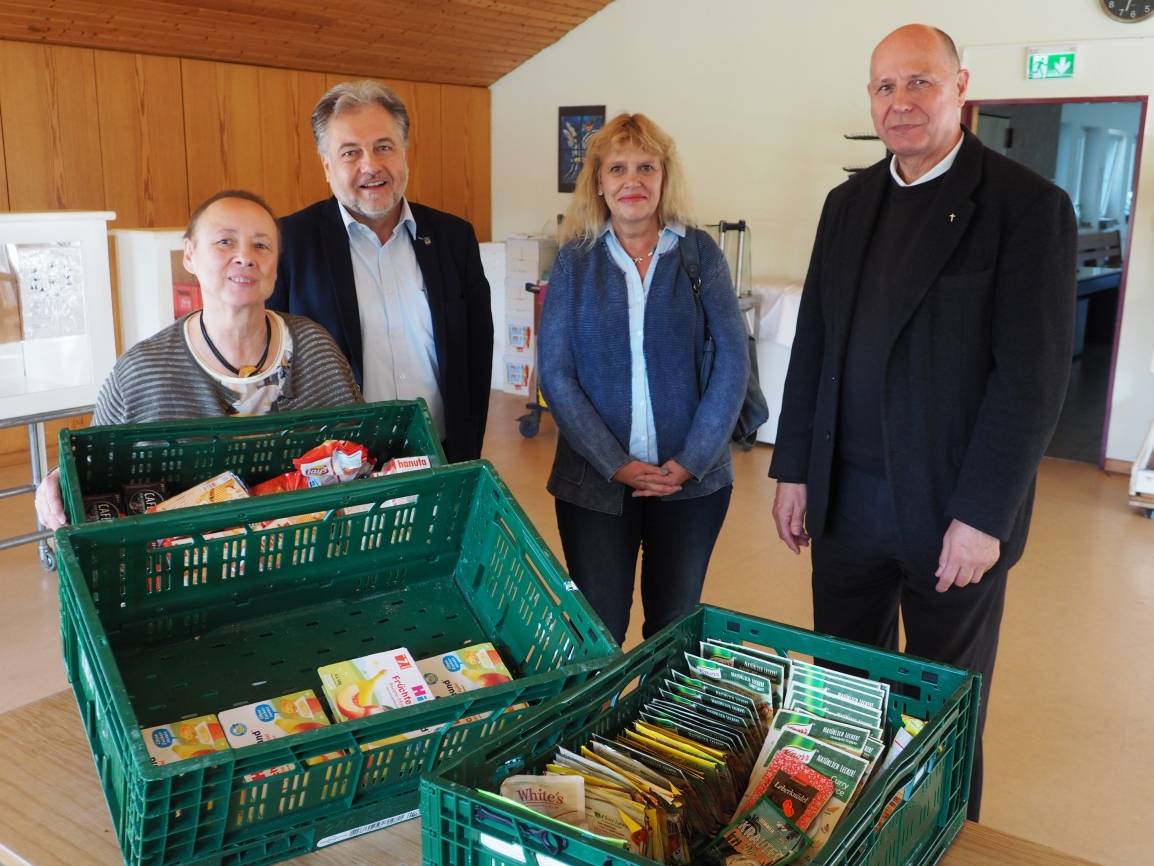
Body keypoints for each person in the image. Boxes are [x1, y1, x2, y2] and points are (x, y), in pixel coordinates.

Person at [769, 24, 1076, 820]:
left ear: (960, 86)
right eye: (884, 87)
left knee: (942, 699)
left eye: (919, 83)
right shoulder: (849, 204)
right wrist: (792, 467)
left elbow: (1032, 380)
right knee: (843, 688)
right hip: (844, 501)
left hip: (950, 509)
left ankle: (937, 830)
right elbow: (816, 344)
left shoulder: (1026, 208)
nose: (900, 102)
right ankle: (841, 825)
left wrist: (982, 517)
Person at [538, 113, 749, 645]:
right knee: (598, 628)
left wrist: (692, 461)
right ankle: (598, 724)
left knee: (672, 629)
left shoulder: (700, 254)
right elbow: (557, 375)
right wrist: (618, 465)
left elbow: (732, 362)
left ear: (663, 176)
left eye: (645, 167)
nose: (632, 181)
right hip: (595, 486)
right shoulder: (574, 262)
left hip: (691, 483)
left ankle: (658, 726)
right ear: (600, 183)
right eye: (618, 168)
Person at [34, 190, 362, 530]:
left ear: (276, 266)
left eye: (261, 246)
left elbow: (361, 447)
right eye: (225, 242)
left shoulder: (315, 347)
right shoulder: (143, 371)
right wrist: (60, 479)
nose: (245, 257)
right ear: (189, 254)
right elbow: (94, 466)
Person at [270, 80, 493, 463]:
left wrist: (467, 451)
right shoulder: (289, 242)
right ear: (326, 165)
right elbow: (272, 371)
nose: (370, 165)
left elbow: (476, 354)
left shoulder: (454, 238)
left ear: (404, 153)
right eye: (350, 153)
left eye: (383, 147)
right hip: (334, 467)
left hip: (439, 456)